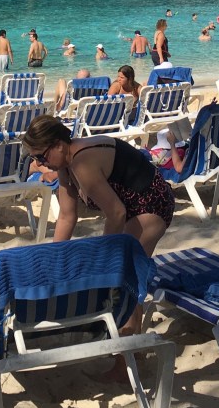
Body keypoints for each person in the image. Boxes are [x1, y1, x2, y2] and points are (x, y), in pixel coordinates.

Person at [22, 115, 175, 377]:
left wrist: (105, 260)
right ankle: (125, 353)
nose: (39, 164)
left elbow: (115, 213)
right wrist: (52, 260)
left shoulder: (82, 162)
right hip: (130, 206)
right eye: (35, 159)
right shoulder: (65, 164)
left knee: (125, 279)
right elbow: (67, 216)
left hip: (151, 204)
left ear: (58, 144)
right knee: (118, 276)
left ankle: (126, 363)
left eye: (41, 157)